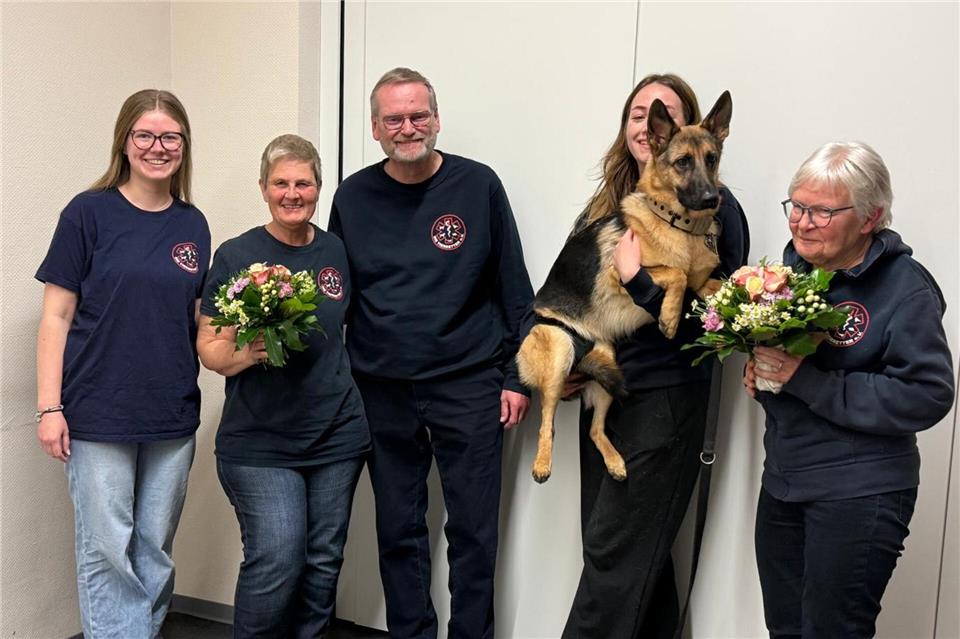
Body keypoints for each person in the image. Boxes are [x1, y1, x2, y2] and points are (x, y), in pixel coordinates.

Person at [328, 67, 534, 639]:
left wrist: (517, 378)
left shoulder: (478, 186)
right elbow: (337, 297)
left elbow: (513, 287)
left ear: (437, 119)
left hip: (468, 384)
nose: (408, 127)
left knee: (473, 532)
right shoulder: (353, 196)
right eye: (394, 118)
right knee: (398, 531)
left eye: (418, 115)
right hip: (380, 388)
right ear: (375, 128)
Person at [561, 74, 750, 639]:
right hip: (604, 397)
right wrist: (566, 362)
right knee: (632, 558)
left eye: (663, 114)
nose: (648, 124)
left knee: (614, 560)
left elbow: (723, 325)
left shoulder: (716, 210)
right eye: (639, 113)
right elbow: (568, 291)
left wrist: (645, 285)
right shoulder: (610, 205)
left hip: (663, 404)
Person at [744, 141, 954, 638]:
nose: (801, 222)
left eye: (821, 211)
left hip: (859, 491)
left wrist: (807, 381)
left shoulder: (906, 288)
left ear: (869, 217)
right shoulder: (789, 275)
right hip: (784, 482)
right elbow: (791, 367)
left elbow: (928, 393)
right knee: (787, 630)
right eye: (796, 206)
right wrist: (764, 375)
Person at [35, 89, 209, 639]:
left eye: (170, 137)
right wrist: (48, 407)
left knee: (155, 545)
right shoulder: (88, 213)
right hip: (97, 411)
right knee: (107, 547)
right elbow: (56, 318)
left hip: (171, 411)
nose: (158, 147)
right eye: (145, 135)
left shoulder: (193, 224)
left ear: (183, 146)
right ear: (125, 142)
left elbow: (199, 319)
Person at [196, 134, 370, 638]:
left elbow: (346, 328)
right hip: (260, 442)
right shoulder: (239, 254)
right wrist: (247, 353)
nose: (293, 193)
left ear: (319, 187)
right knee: (277, 560)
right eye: (281, 184)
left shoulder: (335, 249)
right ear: (263, 189)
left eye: (304, 183)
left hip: (337, 435)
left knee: (322, 562)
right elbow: (209, 348)